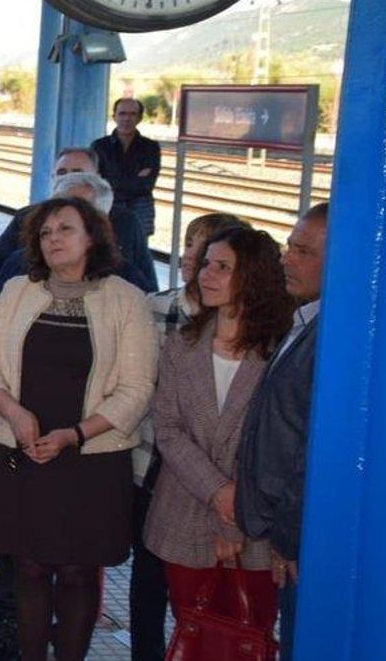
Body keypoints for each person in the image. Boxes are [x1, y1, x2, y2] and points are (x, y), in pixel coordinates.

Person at [0, 196, 157, 661]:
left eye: (65, 229)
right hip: (20, 451)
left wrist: (74, 434)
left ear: (92, 237)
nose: (52, 239)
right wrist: (14, 414)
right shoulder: (16, 290)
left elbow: (137, 390)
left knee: (77, 570)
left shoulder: (127, 300)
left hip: (92, 457)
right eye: (45, 232)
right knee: (29, 567)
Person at [143, 226, 294, 648]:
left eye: (222, 267)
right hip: (186, 511)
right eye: (206, 264)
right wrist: (218, 492)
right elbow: (168, 430)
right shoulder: (181, 344)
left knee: (251, 633)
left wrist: (237, 506)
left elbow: (285, 443)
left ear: (254, 277)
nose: (205, 274)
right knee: (193, 631)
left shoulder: (281, 349)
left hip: (258, 523)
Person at [132, 210, 247, 661]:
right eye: (190, 248)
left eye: (207, 255)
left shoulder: (254, 329)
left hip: (221, 479)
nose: (190, 260)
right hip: (154, 465)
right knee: (148, 575)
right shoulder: (155, 308)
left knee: (208, 585)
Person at [237, 202, 329, 658]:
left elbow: (307, 451)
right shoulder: (308, 319)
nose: (286, 259)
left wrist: (288, 539)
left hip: (301, 543)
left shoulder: (332, 338)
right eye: (289, 247)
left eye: (303, 251)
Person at [0, 148, 157, 292]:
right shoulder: (25, 230)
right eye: (61, 173)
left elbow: (148, 289)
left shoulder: (126, 226)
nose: (68, 178)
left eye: (77, 172)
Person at [92, 98, 161, 239]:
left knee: (137, 254)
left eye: (132, 114)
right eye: (122, 114)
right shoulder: (99, 146)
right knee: (106, 251)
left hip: (140, 210)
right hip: (107, 206)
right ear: (114, 117)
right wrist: (134, 178)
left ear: (140, 118)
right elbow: (95, 181)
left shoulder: (151, 147)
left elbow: (147, 185)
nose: (127, 119)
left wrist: (113, 181)